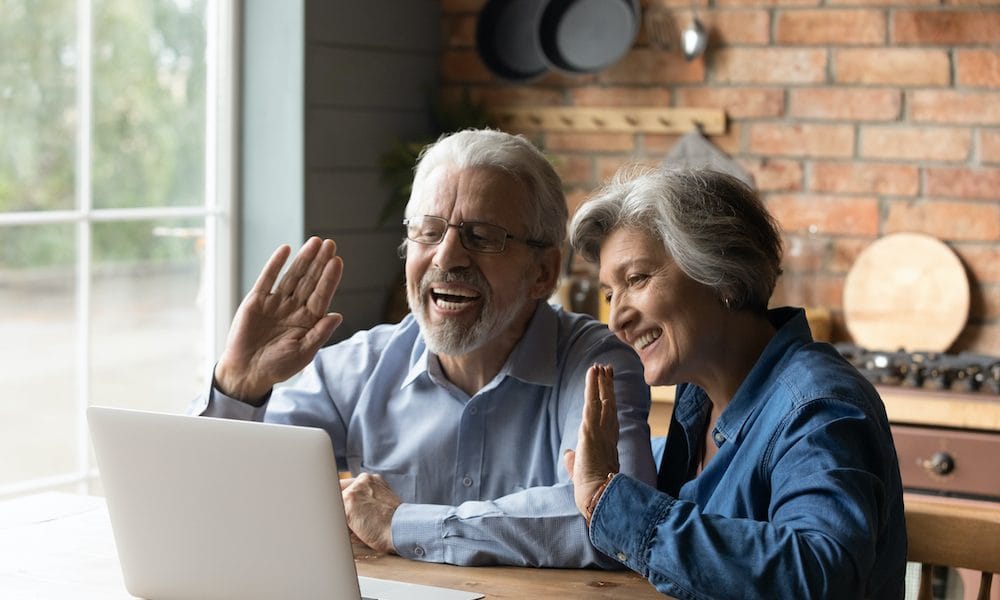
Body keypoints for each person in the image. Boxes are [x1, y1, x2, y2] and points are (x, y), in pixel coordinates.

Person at [193, 128, 657, 568]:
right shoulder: (356, 371)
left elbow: (618, 522)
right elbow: (224, 493)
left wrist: (401, 525)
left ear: (542, 272)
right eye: (429, 231)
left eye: (481, 237)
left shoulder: (596, 366)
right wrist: (239, 382)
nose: (446, 257)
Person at [563, 167, 906, 598]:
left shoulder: (818, 407)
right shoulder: (699, 401)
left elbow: (820, 575)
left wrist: (608, 501)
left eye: (637, 279)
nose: (616, 320)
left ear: (722, 273)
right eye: (611, 294)